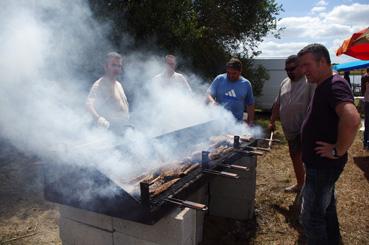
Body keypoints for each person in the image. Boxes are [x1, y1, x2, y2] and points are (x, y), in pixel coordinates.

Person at [298, 43, 360, 244]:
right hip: (319, 165)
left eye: (307, 65)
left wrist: (337, 149)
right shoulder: (324, 84)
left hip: (323, 166)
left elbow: (351, 119)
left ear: (323, 62)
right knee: (327, 210)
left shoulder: (335, 84)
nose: (303, 70)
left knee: (311, 220)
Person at [269, 55, 315, 193]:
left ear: (301, 67)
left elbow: (315, 106)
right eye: (287, 69)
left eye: (292, 68)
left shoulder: (309, 82)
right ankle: (300, 184)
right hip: (290, 130)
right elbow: (278, 103)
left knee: (308, 160)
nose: (289, 72)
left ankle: (311, 189)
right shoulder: (284, 82)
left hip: (305, 130)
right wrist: (271, 120)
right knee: (295, 157)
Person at [86, 52, 130, 133]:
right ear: (106, 66)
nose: (116, 68)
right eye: (113, 65)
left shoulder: (118, 84)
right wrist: (100, 121)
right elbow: (89, 105)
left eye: (119, 66)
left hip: (122, 129)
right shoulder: (99, 85)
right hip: (110, 131)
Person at [207, 58, 255, 125]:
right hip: (218, 122)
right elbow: (209, 94)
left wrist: (250, 122)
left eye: (234, 73)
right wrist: (213, 102)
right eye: (228, 73)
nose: (231, 75)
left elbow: (250, 104)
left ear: (240, 71)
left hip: (237, 124)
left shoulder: (246, 84)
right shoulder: (219, 79)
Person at [361, 68, 369, 149]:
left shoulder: (364, 77)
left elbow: (362, 92)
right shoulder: (365, 77)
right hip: (367, 101)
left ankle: (365, 143)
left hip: (367, 101)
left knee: (367, 123)